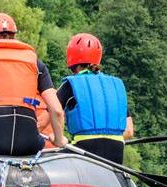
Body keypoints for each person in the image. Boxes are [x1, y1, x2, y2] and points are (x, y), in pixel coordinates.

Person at [0, 13, 67, 156]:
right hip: (28, 137)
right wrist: (59, 139)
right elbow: (56, 110)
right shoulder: (35, 62)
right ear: (14, 36)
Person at [57, 33, 135, 164]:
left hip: (84, 149)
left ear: (71, 57)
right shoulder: (115, 86)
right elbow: (129, 131)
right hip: (116, 153)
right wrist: (106, 138)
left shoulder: (71, 84)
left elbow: (53, 112)